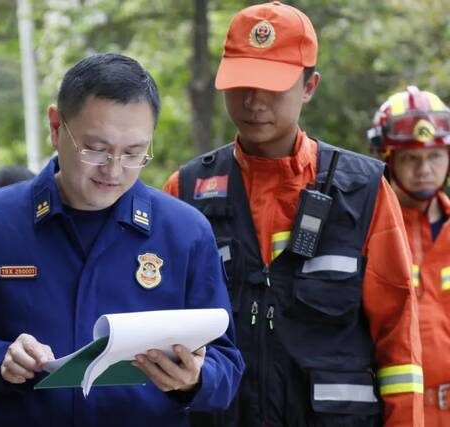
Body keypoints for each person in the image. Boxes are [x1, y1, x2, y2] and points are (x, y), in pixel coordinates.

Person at [0, 53, 245, 427]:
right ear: (56, 128)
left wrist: (197, 378)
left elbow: (227, 367)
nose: (114, 170)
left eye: (134, 153)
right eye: (96, 150)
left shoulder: (185, 232)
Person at [163, 2, 423, 426]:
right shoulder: (185, 190)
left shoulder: (365, 191)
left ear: (309, 86)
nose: (253, 100)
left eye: (271, 85)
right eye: (241, 83)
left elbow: (399, 344)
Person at [367, 85, 450, 426]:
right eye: (410, 158)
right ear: (387, 160)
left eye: (434, 156)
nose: (425, 169)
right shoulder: (368, 230)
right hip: (393, 413)